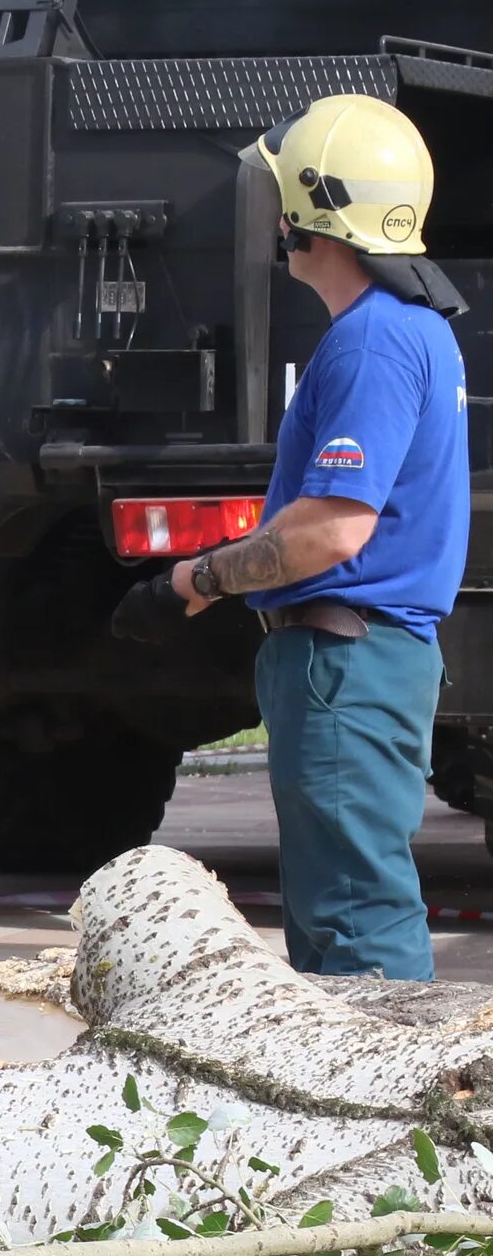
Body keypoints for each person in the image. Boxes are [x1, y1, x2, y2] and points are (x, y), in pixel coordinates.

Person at [113, 94, 469, 978]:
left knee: (354, 927)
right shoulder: (416, 331)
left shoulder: (371, 346)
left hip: (344, 661)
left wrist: (191, 582)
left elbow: (329, 533)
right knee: (337, 916)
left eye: (281, 195)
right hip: (364, 660)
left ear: (314, 209)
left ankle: (391, 1112)